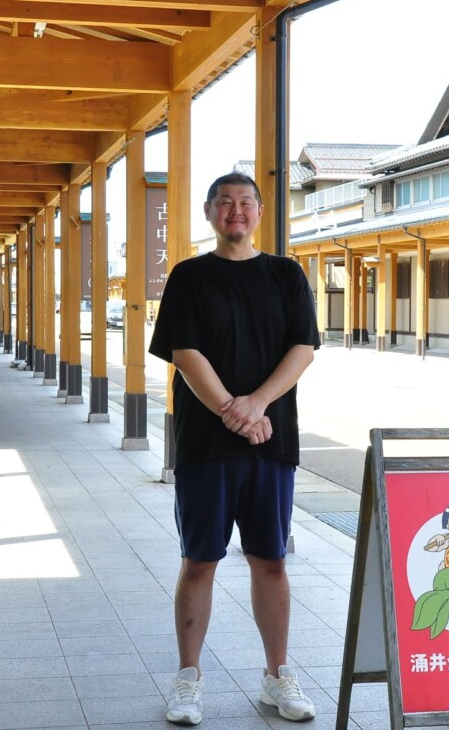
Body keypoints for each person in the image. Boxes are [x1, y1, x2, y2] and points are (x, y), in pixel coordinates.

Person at [148, 172, 320, 725]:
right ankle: (188, 679)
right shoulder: (190, 275)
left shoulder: (285, 274)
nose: (236, 211)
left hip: (271, 441)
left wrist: (258, 405)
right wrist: (233, 411)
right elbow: (185, 351)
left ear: (261, 212)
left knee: (270, 561)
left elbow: (304, 348)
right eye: (225, 203)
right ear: (209, 212)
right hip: (205, 444)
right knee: (199, 561)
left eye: (246, 202)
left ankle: (277, 677)